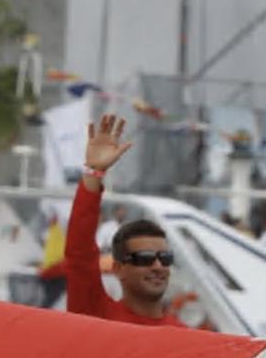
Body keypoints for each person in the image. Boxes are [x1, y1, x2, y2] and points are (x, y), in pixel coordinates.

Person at [62, 114, 185, 327]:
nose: (158, 266)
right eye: (144, 258)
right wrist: (94, 172)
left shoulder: (186, 336)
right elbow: (79, 254)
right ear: (119, 269)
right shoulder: (96, 316)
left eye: (165, 258)